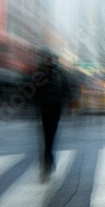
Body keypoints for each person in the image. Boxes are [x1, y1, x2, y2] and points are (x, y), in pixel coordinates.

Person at [35, 50, 71, 182]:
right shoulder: (42, 72)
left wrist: (69, 105)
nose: (49, 60)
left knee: (49, 138)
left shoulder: (57, 74)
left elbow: (67, 90)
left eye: (51, 58)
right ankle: (47, 165)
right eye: (48, 58)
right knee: (48, 139)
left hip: (53, 110)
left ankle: (47, 165)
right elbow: (35, 90)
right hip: (47, 110)